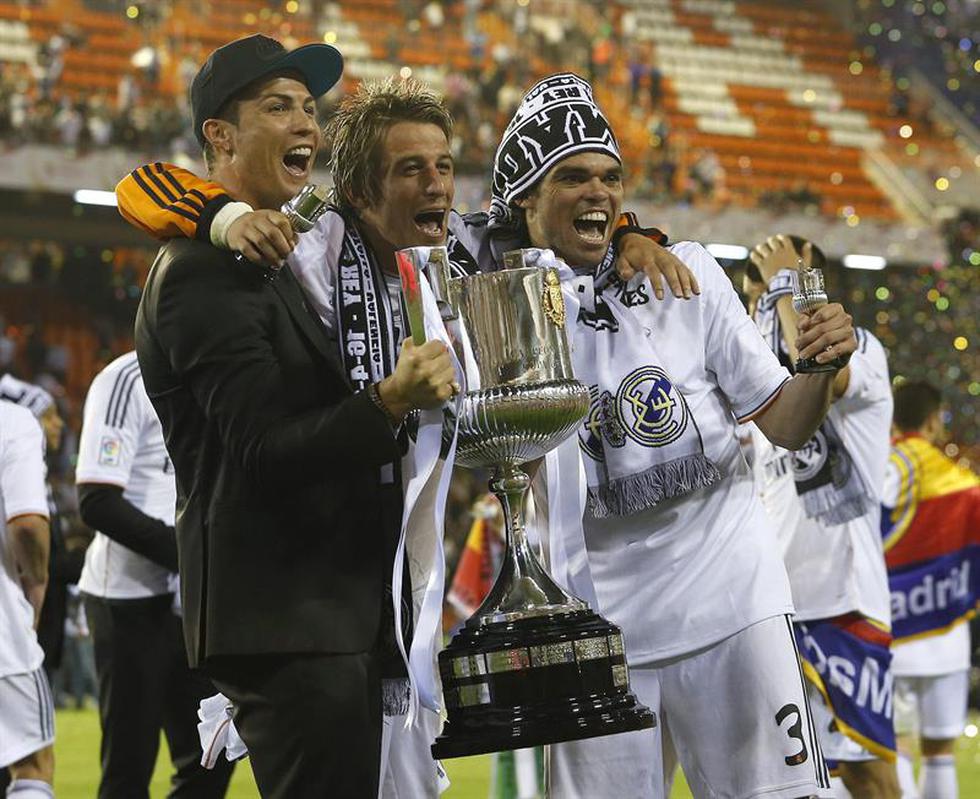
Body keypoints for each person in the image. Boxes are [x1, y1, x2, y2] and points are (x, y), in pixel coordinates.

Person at [116, 71, 697, 797]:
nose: (436, 187)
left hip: (378, 604)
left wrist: (636, 233)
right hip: (305, 598)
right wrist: (224, 216)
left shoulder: (448, 255)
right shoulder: (307, 247)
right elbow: (142, 184)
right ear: (359, 191)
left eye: (445, 167)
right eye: (410, 169)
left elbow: (556, 215)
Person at [481, 72, 859, 799]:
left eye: (610, 178)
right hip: (596, 633)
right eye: (573, 177)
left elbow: (782, 420)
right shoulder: (497, 305)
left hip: (733, 604)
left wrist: (815, 369)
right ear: (525, 195)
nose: (600, 191)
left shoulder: (687, 275)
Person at [135, 34, 458, 797]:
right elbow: (265, 450)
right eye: (278, 108)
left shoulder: (269, 256)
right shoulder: (201, 272)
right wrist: (389, 401)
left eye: (309, 109)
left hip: (329, 614)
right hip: (287, 618)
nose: (305, 125)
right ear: (220, 135)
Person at [747, 235, 899, 798]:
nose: (758, 308)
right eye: (753, 294)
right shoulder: (756, 388)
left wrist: (787, 282)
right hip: (772, 608)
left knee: (867, 771)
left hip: (843, 600)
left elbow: (822, 369)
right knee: (782, 779)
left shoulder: (861, 349)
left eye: (765, 291)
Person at [75, 350, 234, 798]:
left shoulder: (220, 372)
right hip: (127, 601)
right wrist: (191, 556)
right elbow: (96, 500)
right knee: (129, 766)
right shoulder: (124, 378)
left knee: (211, 758)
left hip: (198, 603)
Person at [882, 381, 980, 799]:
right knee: (940, 753)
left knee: (897, 749)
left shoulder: (875, 472)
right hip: (945, 634)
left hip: (888, 633)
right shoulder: (959, 482)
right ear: (933, 419)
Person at [0, 399, 54, 799]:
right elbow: (28, 525)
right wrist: (36, 586)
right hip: (2, 635)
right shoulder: (11, 420)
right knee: (31, 764)